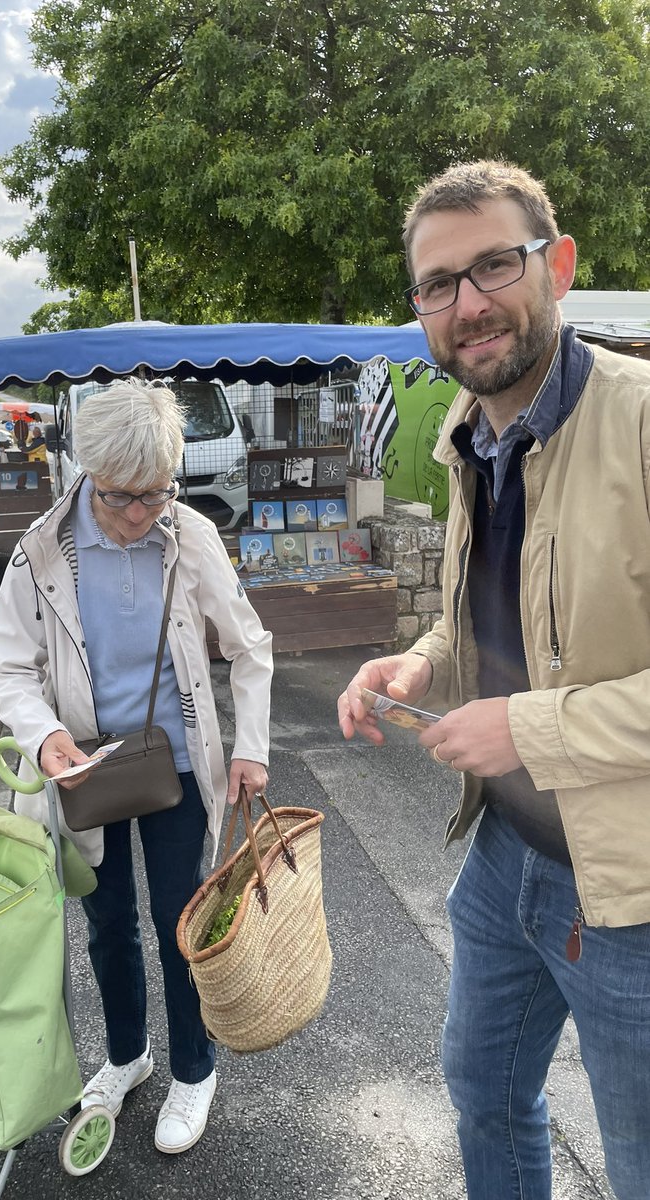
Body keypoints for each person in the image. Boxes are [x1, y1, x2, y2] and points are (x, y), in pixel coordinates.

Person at [337, 160, 650, 1200]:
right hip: (504, 853)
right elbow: (490, 612)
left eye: (493, 266)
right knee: (484, 1096)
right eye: (438, 283)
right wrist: (422, 659)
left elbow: (532, 701)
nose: (468, 303)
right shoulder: (471, 435)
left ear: (557, 266)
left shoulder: (642, 422)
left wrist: (527, 728)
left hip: (631, 892)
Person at [0, 378, 273, 1155]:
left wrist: (250, 747)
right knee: (106, 923)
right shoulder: (42, 549)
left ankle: (194, 1070)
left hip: (174, 765)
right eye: (121, 497)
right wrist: (45, 733)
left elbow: (250, 647)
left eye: (157, 493)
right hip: (85, 770)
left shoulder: (189, 534)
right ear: (86, 473)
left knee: (181, 922)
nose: (141, 514)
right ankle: (126, 1055)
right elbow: (6, 667)